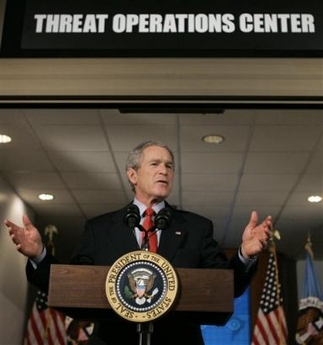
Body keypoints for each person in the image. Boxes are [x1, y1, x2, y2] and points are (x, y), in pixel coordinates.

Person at [5, 140, 272, 345]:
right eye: (155, 164)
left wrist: (244, 255)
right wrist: (39, 254)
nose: (164, 171)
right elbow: (72, 286)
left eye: (169, 166)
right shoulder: (99, 228)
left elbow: (224, 288)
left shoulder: (195, 227)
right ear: (133, 175)